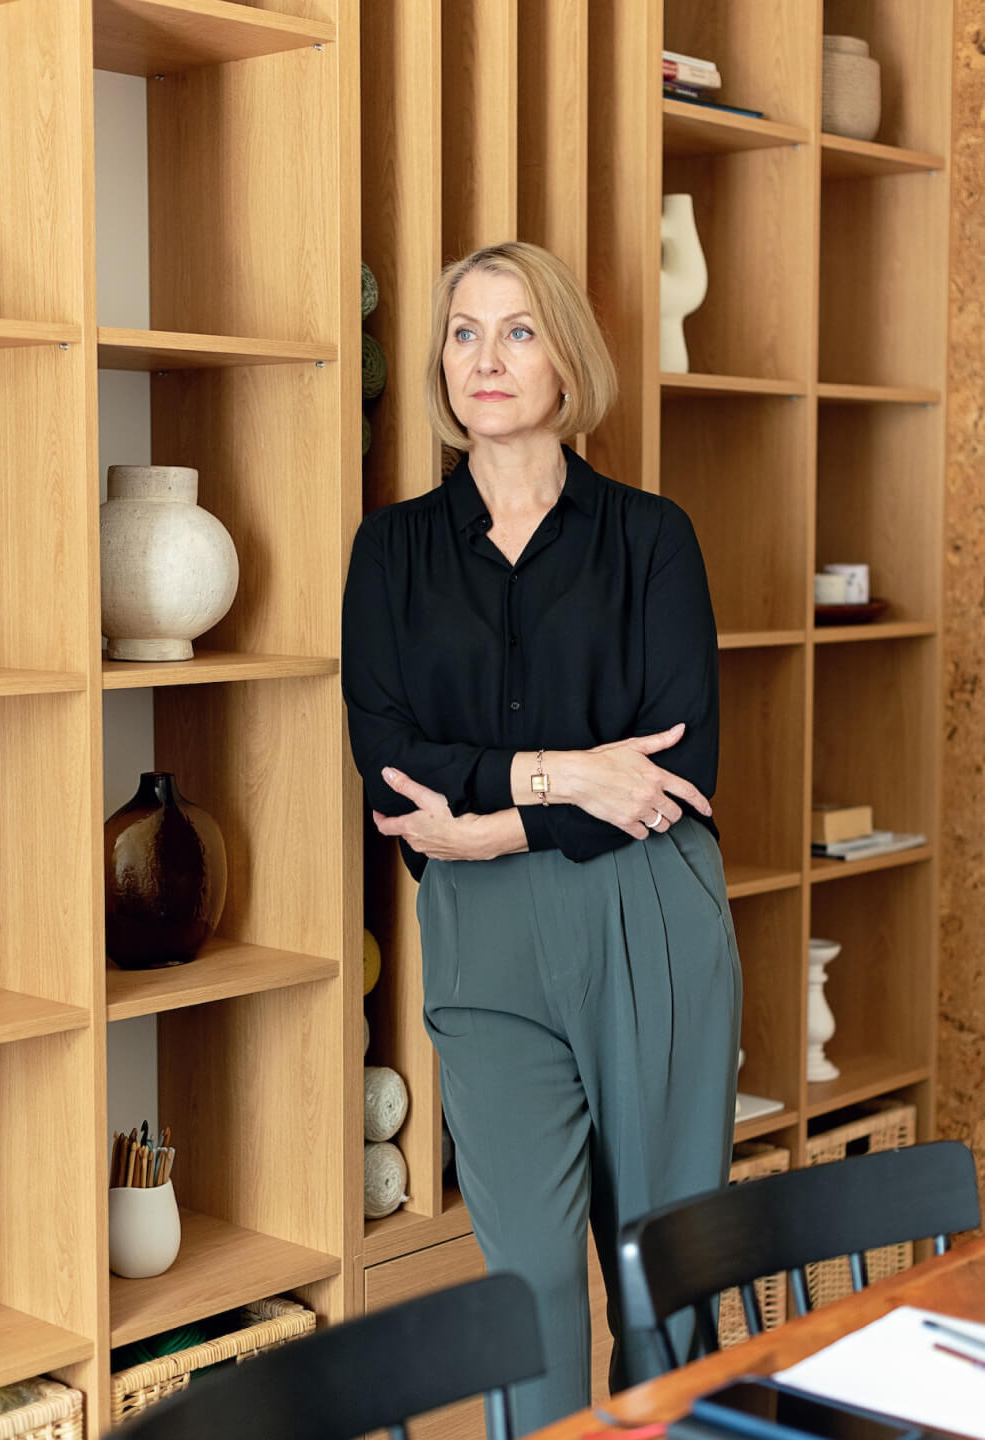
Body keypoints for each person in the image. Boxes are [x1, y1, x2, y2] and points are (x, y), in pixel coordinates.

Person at [342, 241, 742, 1434]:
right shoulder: (391, 553)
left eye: (518, 331)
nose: (487, 357)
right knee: (526, 1295)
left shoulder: (651, 539)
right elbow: (392, 763)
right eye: (463, 332)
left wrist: (492, 822)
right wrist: (570, 775)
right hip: (480, 939)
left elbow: (673, 779)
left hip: (646, 909)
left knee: (663, 1280)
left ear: (565, 360)